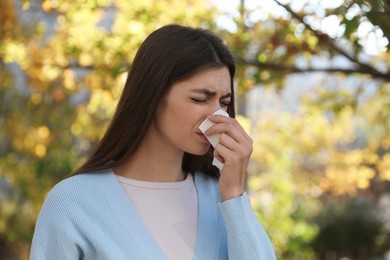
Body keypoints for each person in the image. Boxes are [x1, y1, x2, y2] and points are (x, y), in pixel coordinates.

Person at [30, 24, 276, 260]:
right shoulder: (73, 202)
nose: (218, 116)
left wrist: (234, 195)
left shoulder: (224, 200)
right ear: (154, 96)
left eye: (223, 103)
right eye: (200, 99)